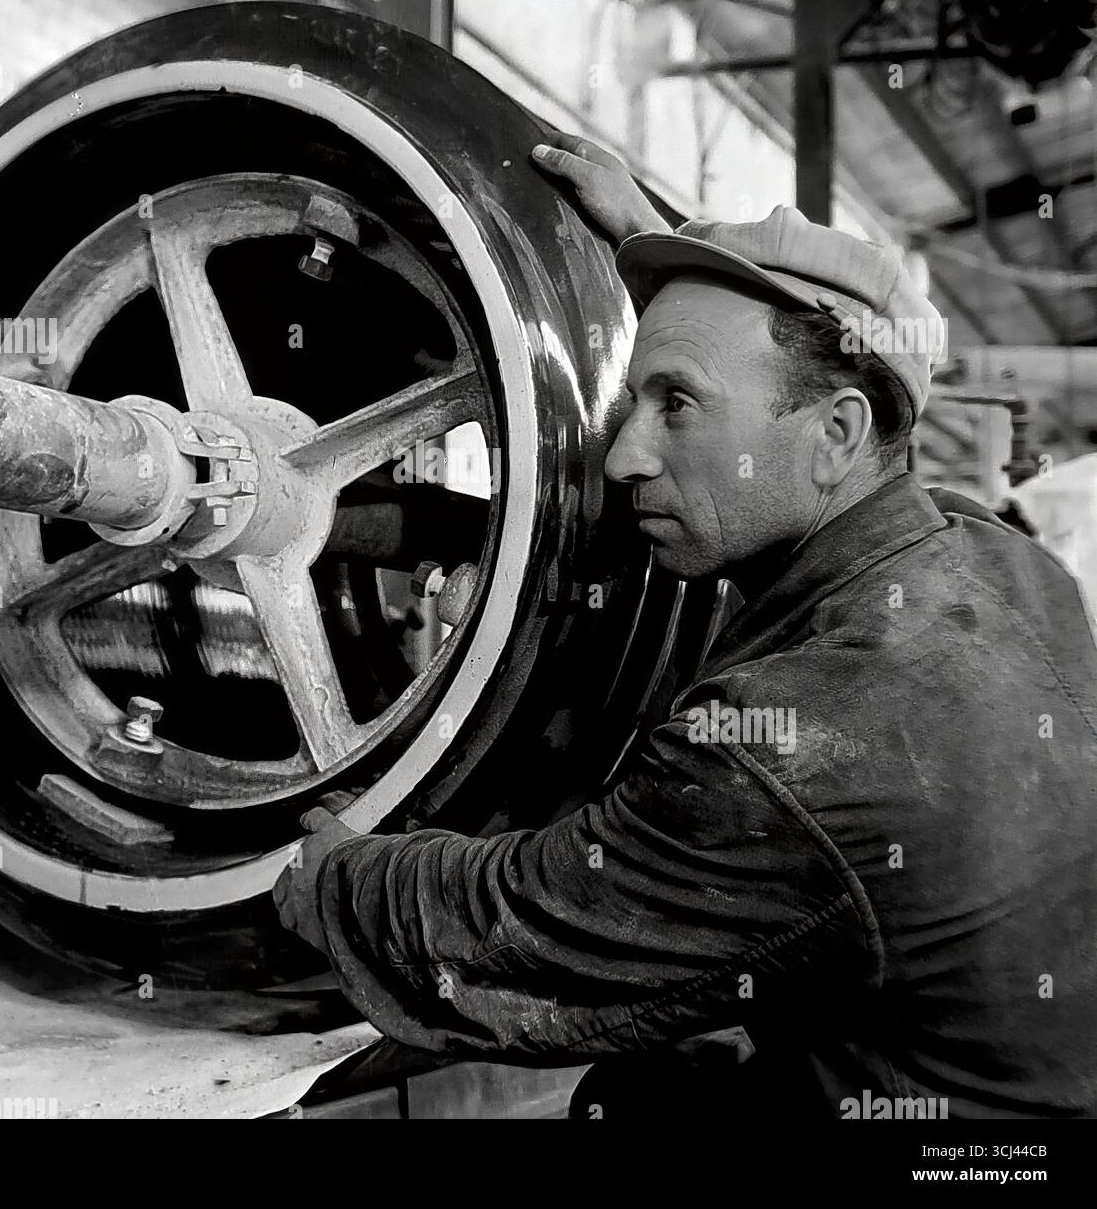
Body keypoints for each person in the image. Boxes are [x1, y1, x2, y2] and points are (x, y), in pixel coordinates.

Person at [274, 132, 1097, 1119]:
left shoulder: (804, 743)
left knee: (624, 1102)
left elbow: (529, 933)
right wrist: (668, 248)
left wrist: (337, 884)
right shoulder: (999, 561)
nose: (623, 456)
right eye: (634, 401)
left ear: (834, 433)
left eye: (676, 405)